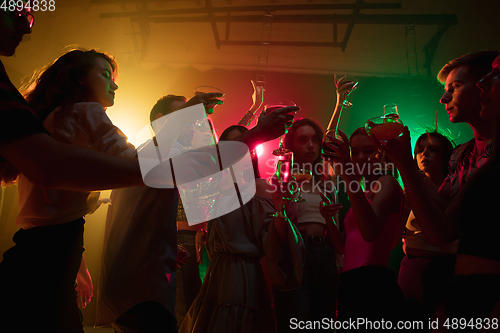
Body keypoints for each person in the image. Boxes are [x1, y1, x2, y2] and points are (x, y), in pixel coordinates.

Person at [96, 97, 299, 332]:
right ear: (164, 123)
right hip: (139, 290)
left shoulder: (152, 158)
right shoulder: (151, 157)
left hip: (146, 284)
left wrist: (164, 246)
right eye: (188, 118)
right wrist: (260, 130)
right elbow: (212, 159)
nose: (197, 126)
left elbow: (143, 217)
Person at [0, 48, 139, 333]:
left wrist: (79, 265)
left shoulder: (50, 119)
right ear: (79, 79)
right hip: (50, 264)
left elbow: (50, 214)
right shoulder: (87, 111)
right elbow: (136, 164)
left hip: (33, 254)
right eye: (105, 75)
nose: (115, 84)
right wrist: (190, 124)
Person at [179, 124, 305, 333]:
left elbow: (275, 241)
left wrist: (281, 208)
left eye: (244, 143)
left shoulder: (259, 186)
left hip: (241, 275)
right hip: (215, 274)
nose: (238, 149)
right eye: (232, 145)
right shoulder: (215, 188)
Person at [324, 127, 406, 324]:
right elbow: (344, 247)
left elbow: (370, 233)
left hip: (373, 282)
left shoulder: (387, 182)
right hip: (350, 282)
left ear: (381, 151)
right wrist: (327, 219)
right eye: (354, 151)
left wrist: (347, 174)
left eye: (368, 150)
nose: (360, 157)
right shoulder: (362, 192)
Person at [272, 118, 343, 333]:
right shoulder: (282, 181)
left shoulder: (327, 184)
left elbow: (337, 238)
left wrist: (338, 263)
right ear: (291, 144)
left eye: (314, 140)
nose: (310, 145)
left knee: (325, 323)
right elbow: (278, 231)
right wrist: (283, 202)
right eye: (303, 140)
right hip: (297, 253)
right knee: (297, 319)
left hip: (326, 254)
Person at [397, 131, 456, 329]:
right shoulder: (410, 187)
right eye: (420, 150)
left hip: (443, 268)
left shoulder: (456, 187)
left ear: (446, 156)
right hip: (410, 266)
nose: (424, 154)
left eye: (433, 150)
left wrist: (419, 181)